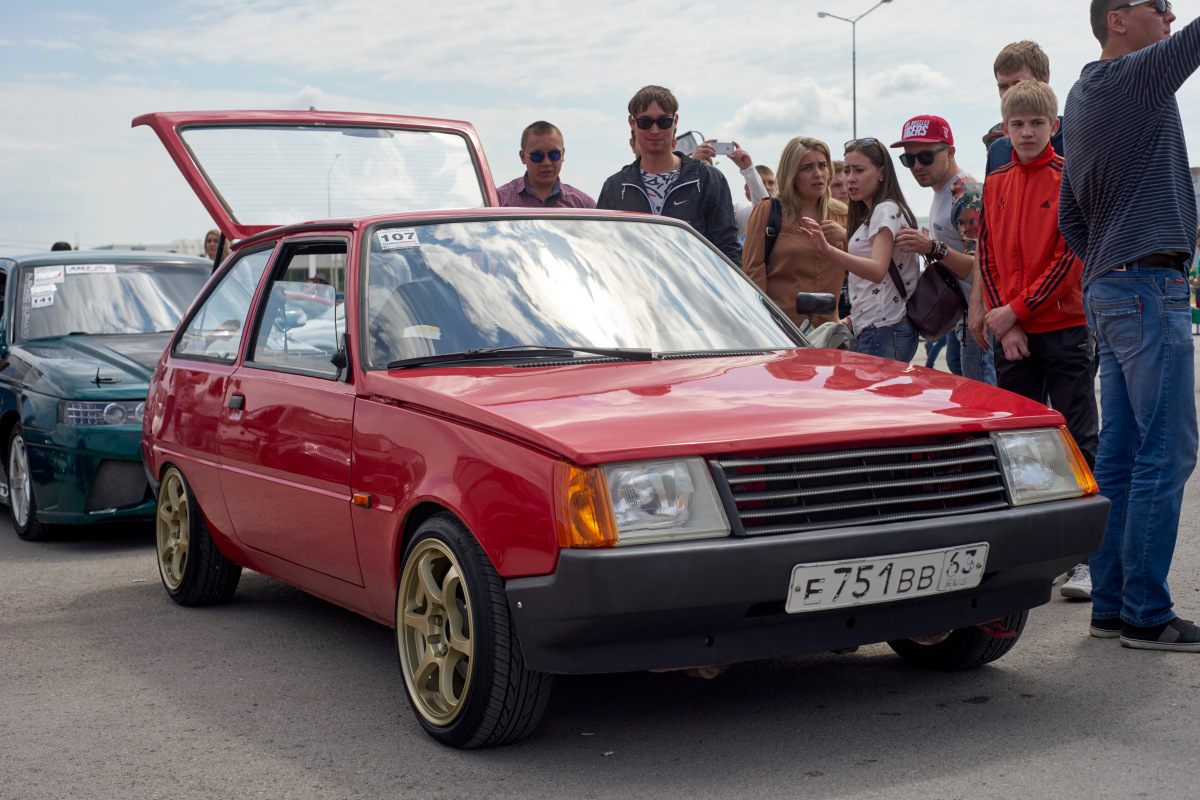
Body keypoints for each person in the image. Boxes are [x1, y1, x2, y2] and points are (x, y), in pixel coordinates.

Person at [1059, 0, 1200, 651]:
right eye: (1162, 6)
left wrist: (1109, 259)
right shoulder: (1134, 77)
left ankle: (1112, 605)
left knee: (1119, 454)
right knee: (1164, 450)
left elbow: (1070, 218)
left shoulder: (1084, 95)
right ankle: (1146, 611)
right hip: (1147, 287)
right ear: (1119, 17)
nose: (1172, 18)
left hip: (1114, 289)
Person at [977, 81, 1099, 601]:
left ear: (1054, 126)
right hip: (1015, 336)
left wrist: (1015, 312)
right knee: (1019, 448)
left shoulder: (1069, 175)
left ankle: (1084, 558)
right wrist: (1008, 324)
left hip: (1065, 328)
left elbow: (1069, 254)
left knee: (1076, 439)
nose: (1027, 132)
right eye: (1017, 124)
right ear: (1005, 130)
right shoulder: (995, 182)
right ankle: (1031, 554)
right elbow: (985, 253)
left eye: (1037, 123)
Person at [794, 138, 920, 362]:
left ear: (882, 173)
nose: (849, 179)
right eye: (847, 170)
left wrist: (827, 249)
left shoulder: (884, 209)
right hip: (880, 327)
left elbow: (877, 269)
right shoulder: (879, 211)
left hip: (883, 329)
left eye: (859, 170)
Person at [891, 116, 994, 385]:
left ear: (950, 152)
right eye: (908, 159)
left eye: (925, 156)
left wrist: (932, 248)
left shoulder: (967, 194)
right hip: (965, 317)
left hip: (981, 316)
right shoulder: (943, 191)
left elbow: (979, 268)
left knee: (983, 401)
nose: (916, 166)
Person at [597, 85, 741, 266]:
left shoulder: (708, 180)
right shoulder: (615, 187)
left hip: (693, 292)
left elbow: (727, 251)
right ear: (632, 123)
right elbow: (603, 252)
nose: (655, 130)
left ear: (675, 121)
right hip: (634, 292)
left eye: (663, 122)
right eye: (645, 122)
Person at [741, 137, 848, 328]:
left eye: (823, 165)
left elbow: (865, 275)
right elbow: (752, 277)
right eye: (807, 168)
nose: (818, 174)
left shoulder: (844, 216)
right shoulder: (767, 211)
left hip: (831, 337)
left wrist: (846, 237)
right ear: (791, 174)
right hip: (780, 334)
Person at [985, 42, 1065, 177]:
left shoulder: (1077, 138)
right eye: (1003, 87)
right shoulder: (997, 151)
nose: (1010, 94)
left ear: (1044, 81)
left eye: (1019, 84)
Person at [496, 121, 596, 209]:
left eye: (554, 155)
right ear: (523, 157)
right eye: (537, 156)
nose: (546, 162)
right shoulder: (498, 201)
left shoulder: (583, 205)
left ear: (562, 155)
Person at [732, 149, 771, 241]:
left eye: (771, 183)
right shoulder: (737, 211)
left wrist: (749, 170)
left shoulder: (738, 212)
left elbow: (764, 210)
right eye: (761, 183)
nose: (767, 188)